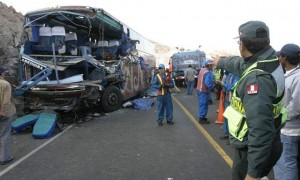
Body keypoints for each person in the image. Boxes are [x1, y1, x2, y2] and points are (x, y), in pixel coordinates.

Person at [217, 21, 286, 180]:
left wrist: (253, 174)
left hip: (251, 150)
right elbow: (238, 63)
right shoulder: (268, 60)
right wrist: (220, 62)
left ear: (242, 45)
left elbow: (261, 129)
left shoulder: (256, 79)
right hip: (269, 143)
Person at [273, 43, 300, 180]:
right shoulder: (289, 74)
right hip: (288, 128)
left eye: (280, 56)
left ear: (284, 58)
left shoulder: (297, 77)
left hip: (290, 130)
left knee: (286, 165)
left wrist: (279, 117)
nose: (278, 59)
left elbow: (296, 106)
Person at [217, 71, 239, 144]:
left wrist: (223, 84)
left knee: (231, 119)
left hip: (232, 100)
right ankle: (227, 133)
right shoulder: (229, 74)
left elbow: (232, 87)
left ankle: (231, 137)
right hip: (227, 98)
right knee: (226, 117)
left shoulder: (236, 76)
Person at [0, 67, 16, 165]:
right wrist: (2, 112)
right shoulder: (5, 84)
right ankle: (4, 158)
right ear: (1, 73)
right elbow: (5, 102)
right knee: (4, 135)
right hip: (3, 113)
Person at [196, 59, 214, 124]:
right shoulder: (207, 72)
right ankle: (202, 118)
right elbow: (207, 82)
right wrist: (212, 87)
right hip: (203, 91)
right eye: (211, 65)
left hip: (199, 89)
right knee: (204, 104)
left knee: (202, 104)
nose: (212, 67)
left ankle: (202, 117)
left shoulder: (202, 70)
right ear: (209, 65)